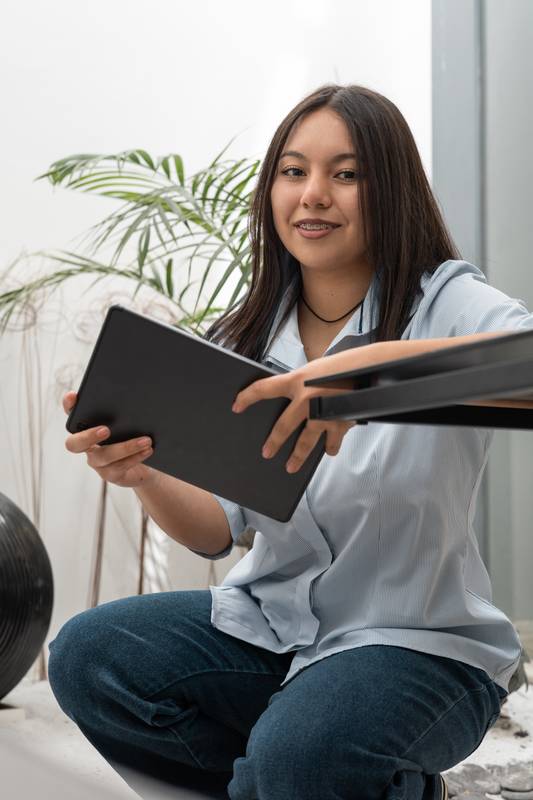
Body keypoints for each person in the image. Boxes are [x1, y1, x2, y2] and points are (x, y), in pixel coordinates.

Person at [48, 84, 533, 800]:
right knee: (89, 655)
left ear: (390, 189)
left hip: (418, 647)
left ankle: (312, 770)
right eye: (292, 171)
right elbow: (218, 532)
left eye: (345, 174)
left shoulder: (448, 304)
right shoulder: (244, 340)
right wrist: (143, 474)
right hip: (270, 632)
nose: (312, 195)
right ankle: (345, 780)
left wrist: (359, 383)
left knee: (297, 757)